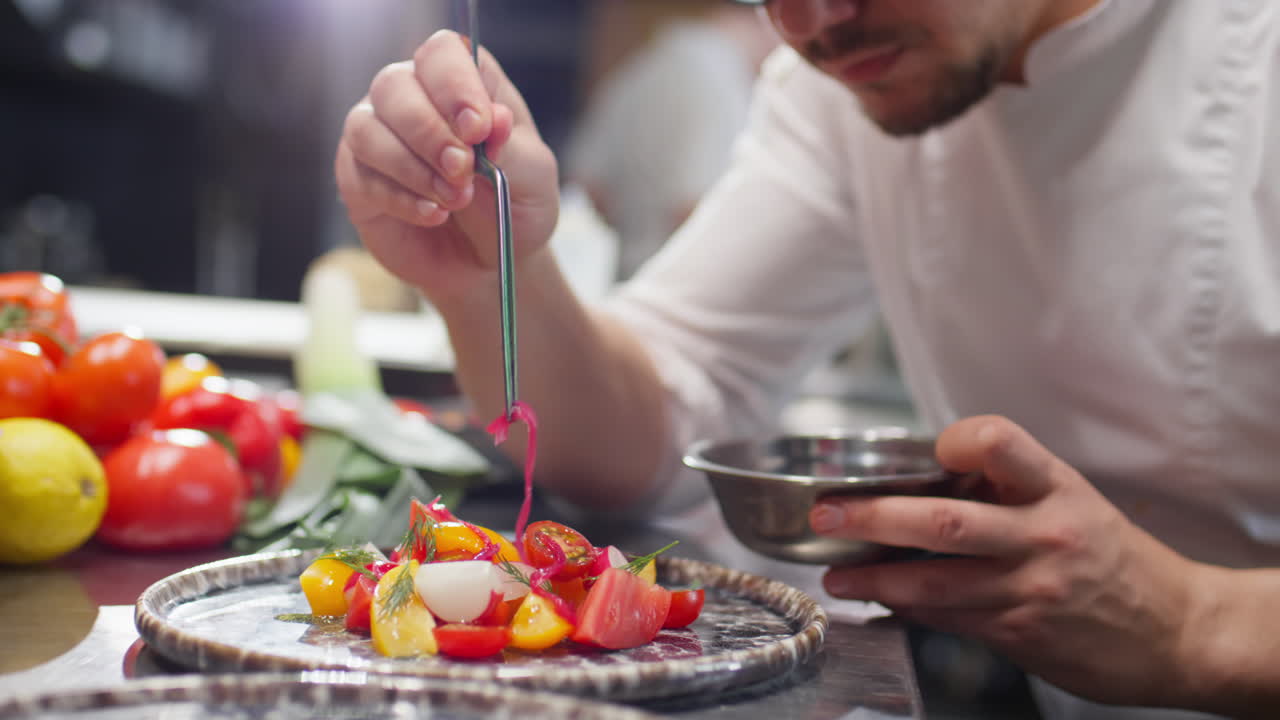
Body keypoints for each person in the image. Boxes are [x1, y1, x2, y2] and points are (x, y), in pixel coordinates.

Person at [332, 1, 1280, 717]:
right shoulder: (846, 86)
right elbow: (659, 410)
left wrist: (1195, 620)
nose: (812, 23)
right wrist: (496, 276)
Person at [565, 1, 779, 280]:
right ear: (767, 17)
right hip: (677, 289)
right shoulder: (719, 75)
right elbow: (694, 209)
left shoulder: (645, 62)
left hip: (624, 282)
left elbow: (587, 187)